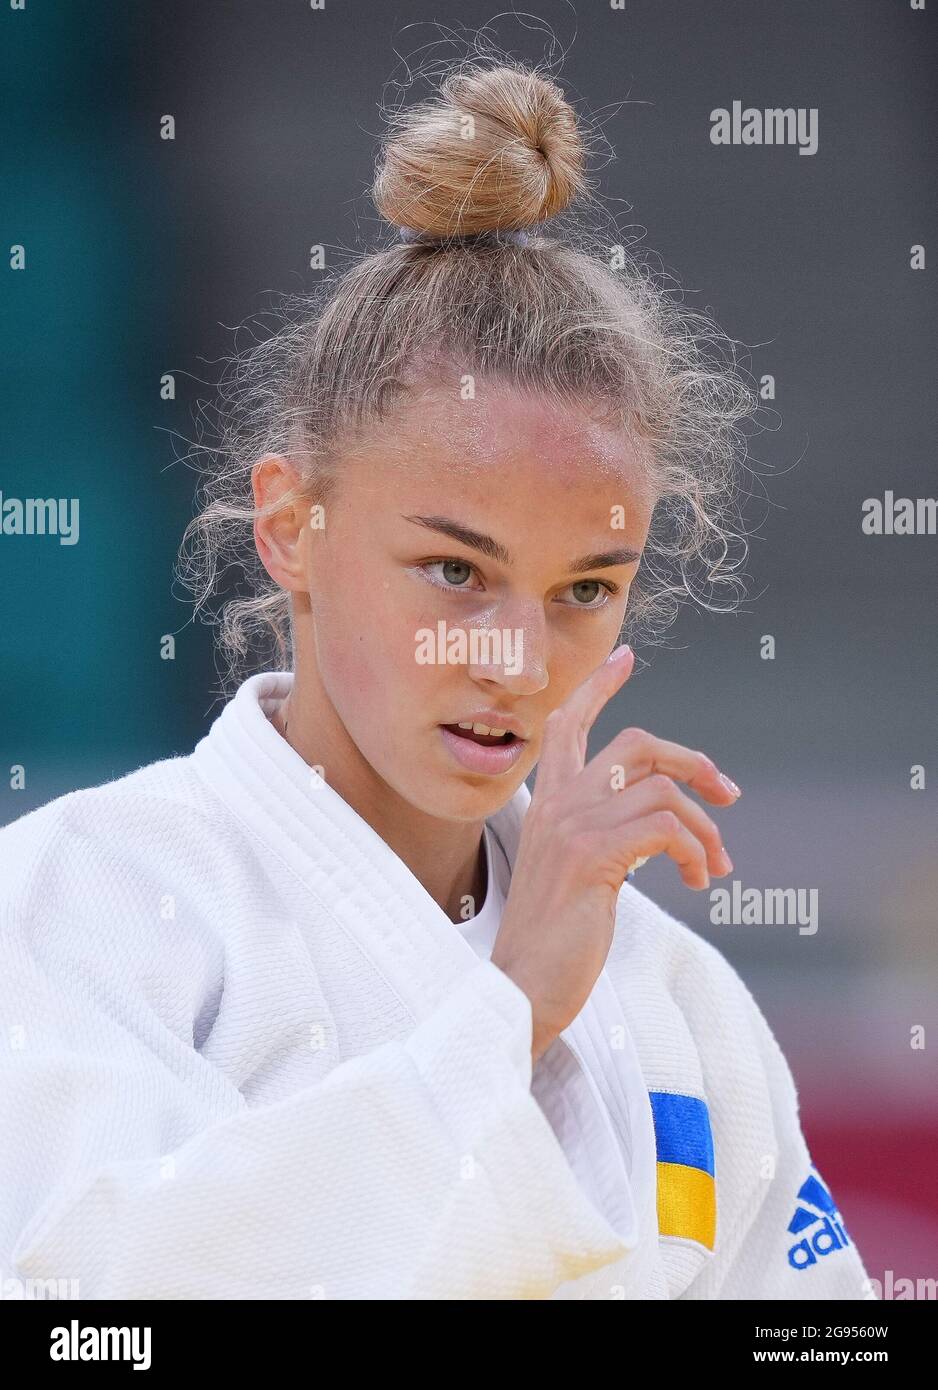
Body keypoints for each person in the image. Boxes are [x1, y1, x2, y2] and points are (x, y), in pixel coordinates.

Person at [0, 60, 873, 1300]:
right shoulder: (80, 904)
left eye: (583, 588)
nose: (514, 662)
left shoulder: (670, 995)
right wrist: (507, 1009)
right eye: (454, 571)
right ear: (291, 524)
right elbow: (85, 1310)